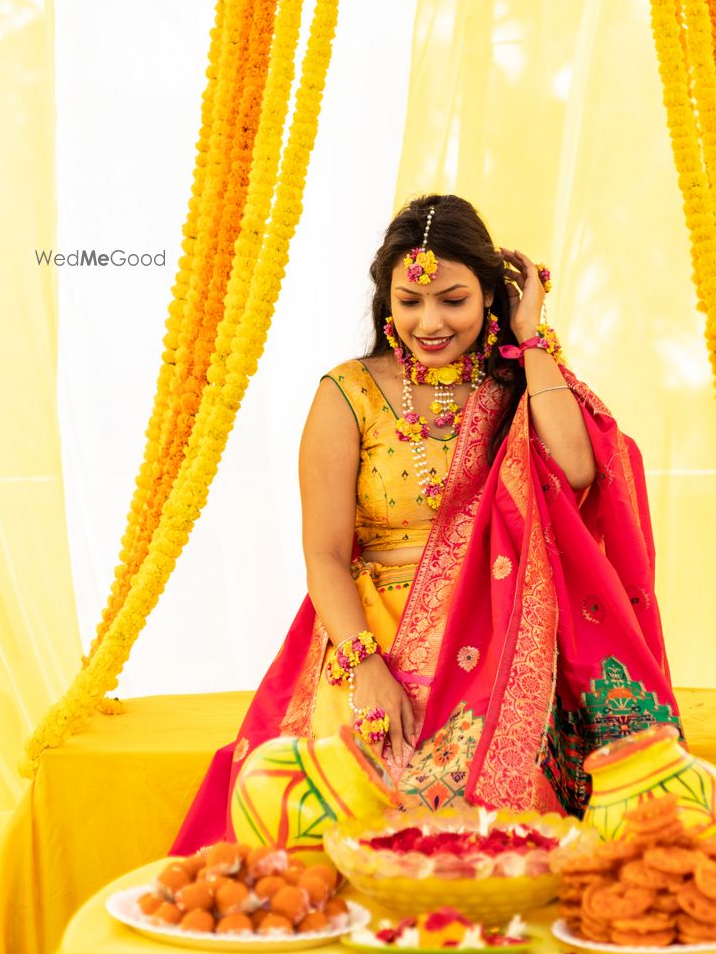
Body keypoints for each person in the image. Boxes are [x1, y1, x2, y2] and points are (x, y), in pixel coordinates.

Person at [173, 193, 679, 848]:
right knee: (333, 798)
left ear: (490, 295)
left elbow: (581, 469)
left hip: (502, 629)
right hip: (372, 632)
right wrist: (367, 667)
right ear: (386, 299)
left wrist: (531, 339)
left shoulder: (518, 386)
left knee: (499, 809)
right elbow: (324, 555)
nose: (430, 321)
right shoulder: (347, 393)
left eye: (454, 300)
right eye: (410, 302)